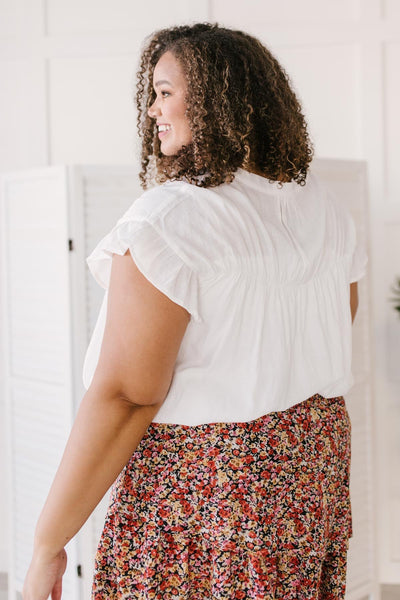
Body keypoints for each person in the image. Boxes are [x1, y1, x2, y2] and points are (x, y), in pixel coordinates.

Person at [22, 22, 367, 600]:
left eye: (164, 91)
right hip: (310, 470)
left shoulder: (171, 221)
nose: (152, 110)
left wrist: (47, 544)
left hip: (210, 488)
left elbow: (127, 395)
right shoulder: (325, 210)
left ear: (215, 98)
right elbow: (337, 322)